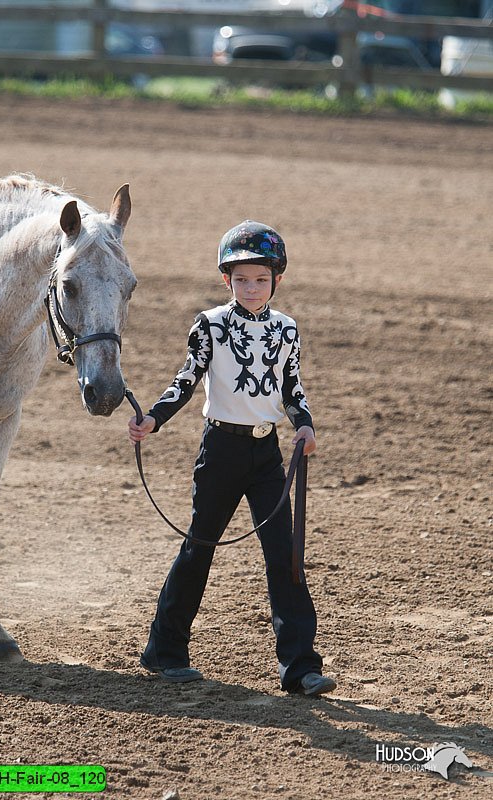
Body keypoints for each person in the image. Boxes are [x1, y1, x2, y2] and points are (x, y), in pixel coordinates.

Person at [128, 220, 336, 696]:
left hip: (267, 454)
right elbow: (187, 380)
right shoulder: (210, 324)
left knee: (285, 557)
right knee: (199, 546)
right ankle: (165, 650)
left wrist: (304, 424)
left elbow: (292, 388)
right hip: (220, 451)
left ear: (276, 280)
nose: (251, 287)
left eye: (261, 279)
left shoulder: (286, 330)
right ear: (227, 280)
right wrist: (153, 420)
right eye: (241, 279)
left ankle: (301, 668)